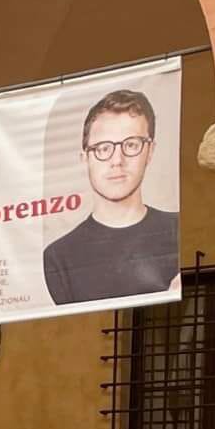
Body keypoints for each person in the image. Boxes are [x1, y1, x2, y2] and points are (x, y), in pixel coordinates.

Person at [43, 88, 181, 307]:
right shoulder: (58, 258)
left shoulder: (179, 230)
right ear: (85, 158)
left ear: (150, 151)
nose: (117, 160)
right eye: (103, 148)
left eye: (131, 145)